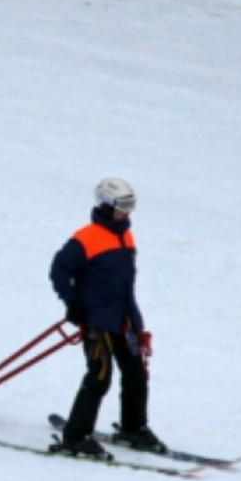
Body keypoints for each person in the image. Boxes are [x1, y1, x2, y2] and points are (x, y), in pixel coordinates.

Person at [49, 178, 164, 459]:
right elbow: (59, 270)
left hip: (123, 319)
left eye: (132, 205)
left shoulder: (125, 235)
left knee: (136, 372)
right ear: (106, 205)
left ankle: (134, 428)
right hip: (96, 319)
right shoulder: (86, 238)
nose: (129, 212)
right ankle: (75, 437)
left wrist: (136, 322)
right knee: (100, 376)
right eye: (124, 206)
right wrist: (72, 303)